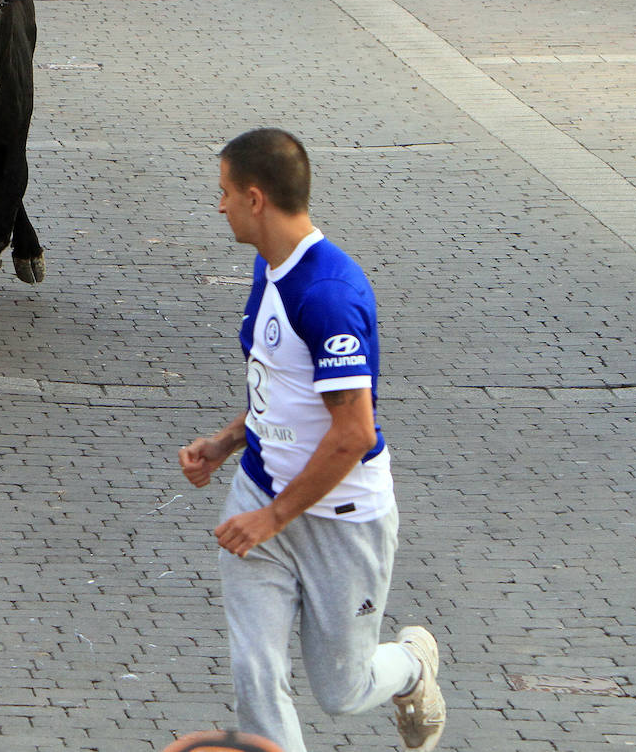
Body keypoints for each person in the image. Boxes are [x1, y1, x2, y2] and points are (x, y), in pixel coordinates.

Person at [178, 128, 446, 752]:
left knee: (342, 690)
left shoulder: (327, 295)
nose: (217, 206)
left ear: (254, 198)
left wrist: (273, 517)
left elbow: (353, 434)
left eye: (222, 193)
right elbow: (280, 388)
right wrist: (224, 444)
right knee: (257, 677)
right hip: (259, 500)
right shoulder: (269, 267)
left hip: (341, 520)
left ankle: (411, 666)